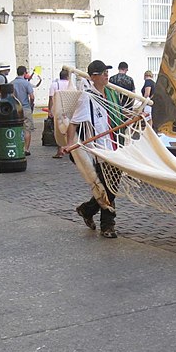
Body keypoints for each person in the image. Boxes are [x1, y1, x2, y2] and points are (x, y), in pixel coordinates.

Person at [61, 59, 120, 239]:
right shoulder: (87, 97)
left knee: (112, 187)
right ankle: (107, 226)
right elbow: (74, 123)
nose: (106, 75)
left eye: (107, 72)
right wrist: (70, 145)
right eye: (103, 73)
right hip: (98, 150)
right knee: (107, 187)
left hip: (113, 147)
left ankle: (87, 210)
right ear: (93, 77)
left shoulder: (108, 95)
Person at [12, 65, 36, 156]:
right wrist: (31, 104)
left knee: (18, 129)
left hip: (16, 109)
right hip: (26, 108)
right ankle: (26, 149)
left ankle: (18, 146)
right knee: (27, 129)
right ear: (25, 73)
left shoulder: (12, 83)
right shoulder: (26, 84)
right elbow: (32, 97)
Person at [48, 69, 72, 158]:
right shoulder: (70, 84)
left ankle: (60, 150)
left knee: (58, 130)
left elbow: (51, 98)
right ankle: (70, 147)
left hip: (57, 109)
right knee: (69, 129)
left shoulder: (54, 85)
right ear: (67, 76)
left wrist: (50, 110)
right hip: (68, 109)